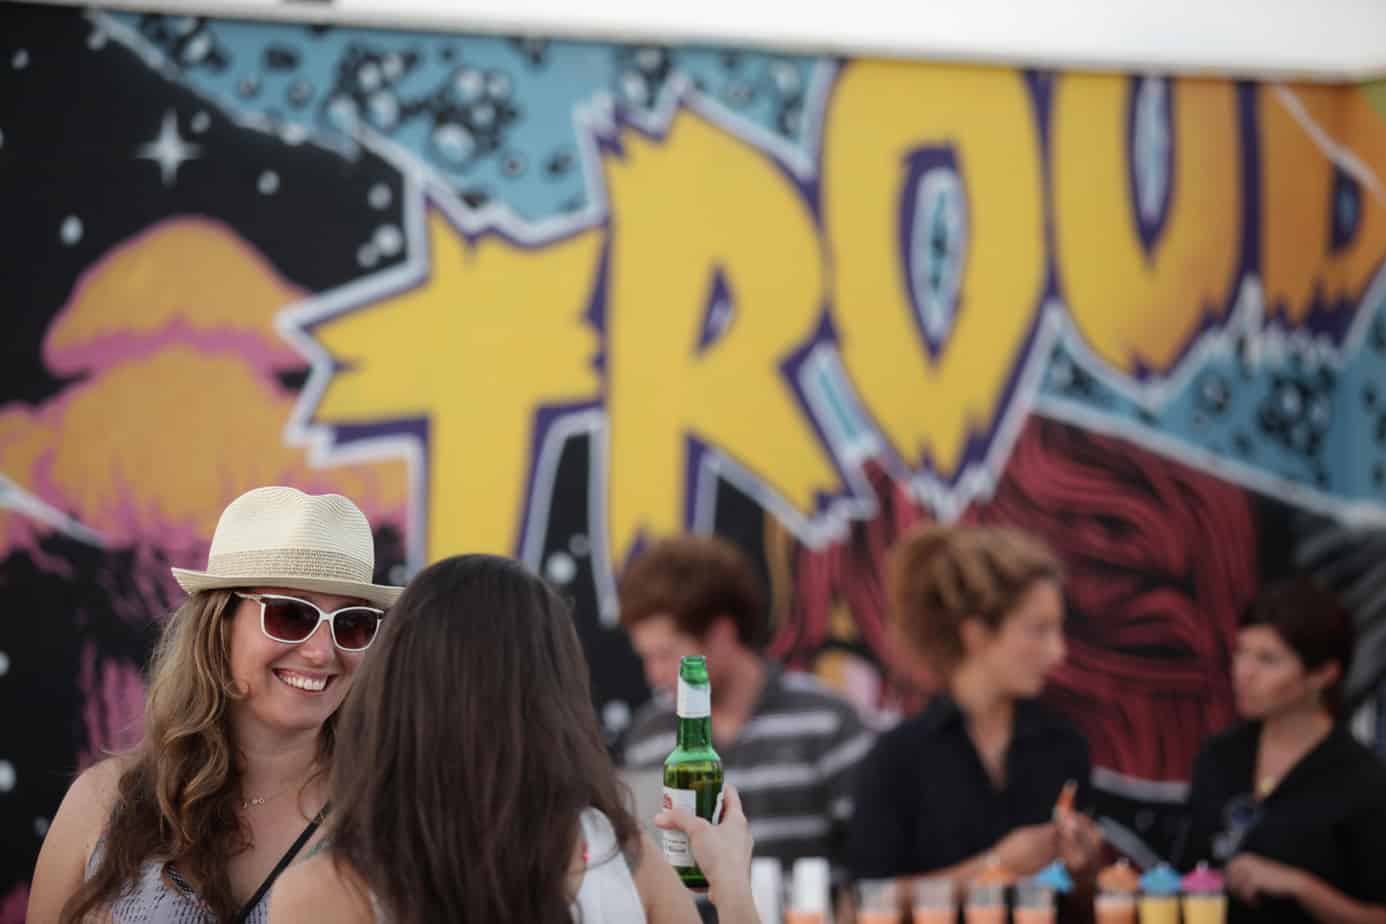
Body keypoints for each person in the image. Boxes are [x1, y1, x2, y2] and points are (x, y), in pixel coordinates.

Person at [267, 554, 761, 923]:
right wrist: (732, 885)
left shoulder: (327, 890)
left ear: (394, 690)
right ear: (557, 695)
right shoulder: (623, 860)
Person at [27, 485, 403, 924]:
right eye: (290, 614)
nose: (322, 651)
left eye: (352, 624)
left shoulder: (386, 821)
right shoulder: (103, 804)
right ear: (218, 626)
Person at [845, 524, 1102, 904]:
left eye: (1058, 629)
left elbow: (1081, 898)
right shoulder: (898, 759)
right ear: (976, 634)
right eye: (1038, 630)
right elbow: (864, 901)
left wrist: (1084, 865)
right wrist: (995, 867)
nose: (1058, 652)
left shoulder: (1064, 746)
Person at [618, 535, 875, 878]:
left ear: (722, 634)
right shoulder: (649, 736)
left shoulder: (827, 720)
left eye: (665, 654)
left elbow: (870, 865)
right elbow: (648, 868)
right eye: (646, 657)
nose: (655, 675)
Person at [1179, 576, 1386, 924]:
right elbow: (1186, 869)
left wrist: (1301, 887)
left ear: (1322, 674)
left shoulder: (1362, 781)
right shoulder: (1220, 755)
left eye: (1268, 659)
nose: (1243, 672)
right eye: (1240, 652)